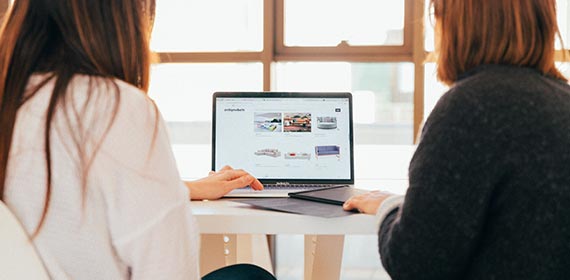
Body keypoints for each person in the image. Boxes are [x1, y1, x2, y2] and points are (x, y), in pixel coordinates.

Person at [0, 0, 273, 279]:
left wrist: (183, 189)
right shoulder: (116, 107)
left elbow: (58, 194)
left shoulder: (10, 101)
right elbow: (170, 269)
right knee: (252, 276)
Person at [343, 0, 570, 279]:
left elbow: (415, 263)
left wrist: (389, 207)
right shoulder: (563, 100)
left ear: (454, 24)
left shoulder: (470, 107)